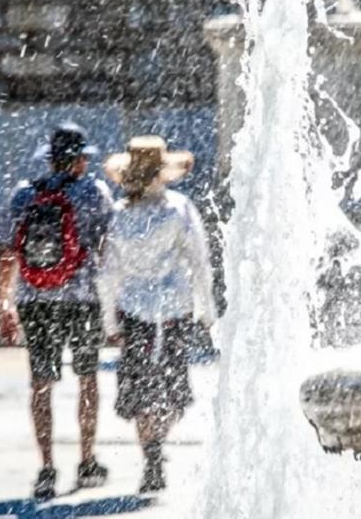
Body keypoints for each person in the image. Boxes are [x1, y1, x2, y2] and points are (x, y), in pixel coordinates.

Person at [0, 122, 114, 499]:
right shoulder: (94, 192)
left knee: (41, 384)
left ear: (49, 158)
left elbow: (7, 253)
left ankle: (46, 468)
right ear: (79, 160)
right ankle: (87, 460)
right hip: (82, 299)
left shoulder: (23, 194)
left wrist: (4, 305)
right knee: (87, 379)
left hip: (35, 300)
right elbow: (109, 248)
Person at [97, 136, 216, 493]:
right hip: (174, 310)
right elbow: (199, 260)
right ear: (162, 172)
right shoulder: (179, 208)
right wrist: (206, 310)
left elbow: (109, 272)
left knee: (140, 390)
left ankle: (150, 454)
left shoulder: (120, 214)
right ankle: (157, 445)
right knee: (173, 388)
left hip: (134, 314)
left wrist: (109, 320)